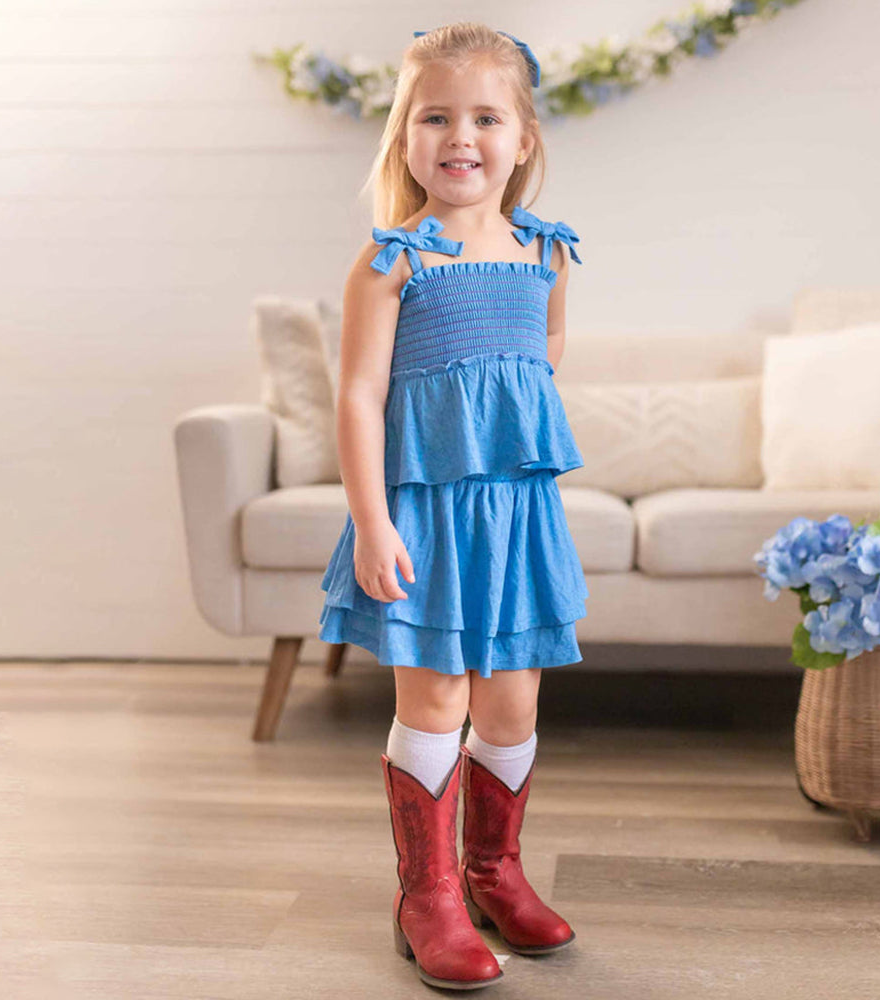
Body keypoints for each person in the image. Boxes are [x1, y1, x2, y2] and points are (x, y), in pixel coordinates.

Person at [317, 22, 587, 990]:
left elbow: (541, 360)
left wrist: (500, 434)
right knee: (435, 697)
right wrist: (374, 518)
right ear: (404, 139)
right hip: (423, 515)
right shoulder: (392, 264)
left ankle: (493, 870)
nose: (459, 135)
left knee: (511, 702)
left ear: (522, 141)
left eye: (484, 116)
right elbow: (357, 396)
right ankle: (426, 892)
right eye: (434, 116)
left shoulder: (545, 257)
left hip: (514, 519)